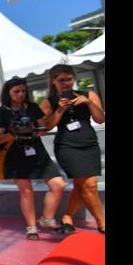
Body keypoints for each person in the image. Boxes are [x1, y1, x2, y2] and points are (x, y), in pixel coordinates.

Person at [0, 77, 65, 240]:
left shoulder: (31, 107)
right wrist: (15, 132)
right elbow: (0, 138)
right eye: (16, 91)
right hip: (15, 152)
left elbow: (43, 128)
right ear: (8, 93)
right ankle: (31, 227)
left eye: (23, 91)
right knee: (26, 191)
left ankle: (47, 218)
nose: (20, 94)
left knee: (57, 184)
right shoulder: (2, 112)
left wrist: (35, 129)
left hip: (36, 150)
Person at [40, 64, 106, 234]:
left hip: (89, 143)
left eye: (69, 79)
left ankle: (67, 217)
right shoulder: (49, 102)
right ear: (53, 81)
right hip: (67, 146)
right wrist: (60, 110)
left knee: (80, 184)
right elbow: (46, 126)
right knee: (90, 184)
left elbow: (100, 119)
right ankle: (102, 222)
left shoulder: (88, 95)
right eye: (61, 80)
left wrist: (90, 103)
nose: (66, 84)